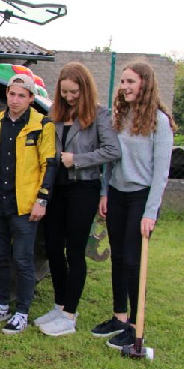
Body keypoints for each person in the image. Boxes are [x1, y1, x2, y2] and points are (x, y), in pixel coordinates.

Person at [92, 61, 174, 350]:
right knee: (117, 257)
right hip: (117, 194)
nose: (124, 87)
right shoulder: (120, 116)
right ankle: (119, 317)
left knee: (131, 260)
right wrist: (104, 192)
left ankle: (136, 327)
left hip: (141, 197)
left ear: (145, 85)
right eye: (122, 81)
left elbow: (161, 173)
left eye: (130, 82)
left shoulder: (159, 123)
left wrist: (150, 212)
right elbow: (111, 161)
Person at [35, 63, 121, 337]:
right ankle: (59, 306)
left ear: (84, 89)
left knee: (74, 251)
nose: (69, 97)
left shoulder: (99, 115)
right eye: (65, 92)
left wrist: (78, 160)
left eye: (74, 92)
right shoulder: (54, 114)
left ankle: (70, 315)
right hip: (56, 189)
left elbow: (113, 150)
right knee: (52, 248)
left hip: (83, 189)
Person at [0, 73, 57, 334]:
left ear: (31, 98)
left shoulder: (41, 125)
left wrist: (42, 199)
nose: (15, 100)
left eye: (22, 96)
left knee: (22, 260)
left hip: (25, 205)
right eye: (12, 94)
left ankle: (22, 311)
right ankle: (0, 304)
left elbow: (49, 164)